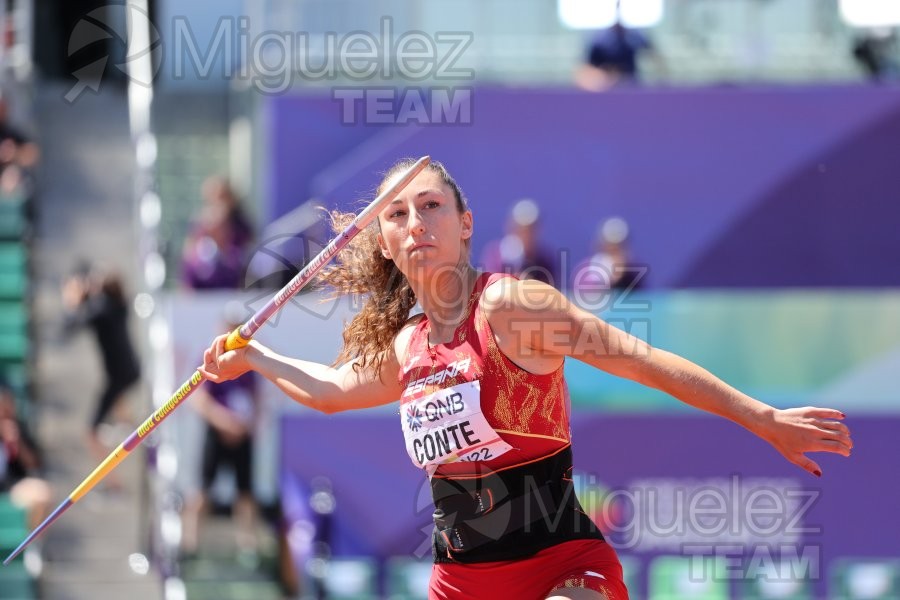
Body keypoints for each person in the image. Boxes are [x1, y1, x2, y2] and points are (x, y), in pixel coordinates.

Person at [199, 159, 853, 600]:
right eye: (397, 215)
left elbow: (643, 362)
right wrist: (255, 358)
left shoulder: (513, 308)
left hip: (563, 575)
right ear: (387, 244)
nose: (415, 223)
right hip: (460, 583)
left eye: (431, 207)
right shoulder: (409, 345)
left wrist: (761, 418)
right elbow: (333, 391)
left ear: (465, 226)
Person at [182, 304, 261, 562]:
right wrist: (224, 422)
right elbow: (199, 399)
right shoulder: (211, 356)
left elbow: (256, 397)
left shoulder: (249, 358)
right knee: (203, 489)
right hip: (217, 432)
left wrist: (246, 426)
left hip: (242, 433)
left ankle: (247, 547)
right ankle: (190, 546)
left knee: (245, 491)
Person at [62, 265, 141, 483]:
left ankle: (114, 484)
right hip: (130, 372)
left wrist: (73, 300)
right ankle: (132, 428)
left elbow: (68, 328)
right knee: (120, 409)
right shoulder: (117, 305)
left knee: (90, 432)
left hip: (119, 377)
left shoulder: (100, 308)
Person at [180, 176, 254, 290]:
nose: (217, 204)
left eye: (221, 198)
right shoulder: (200, 228)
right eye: (212, 199)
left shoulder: (242, 229)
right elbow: (189, 266)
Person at [1, 382, 51, 531]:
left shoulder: (17, 427)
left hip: (10, 486)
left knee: (42, 494)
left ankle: (31, 544)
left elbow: (33, 464)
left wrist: (17, 443)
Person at [480, 198, 559, 286]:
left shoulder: (546, 260)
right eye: (521, 229)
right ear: (510, 228)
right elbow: (490, 287)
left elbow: (550, 291)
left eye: (531, 229)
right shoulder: (495, 255)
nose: (527, 235)